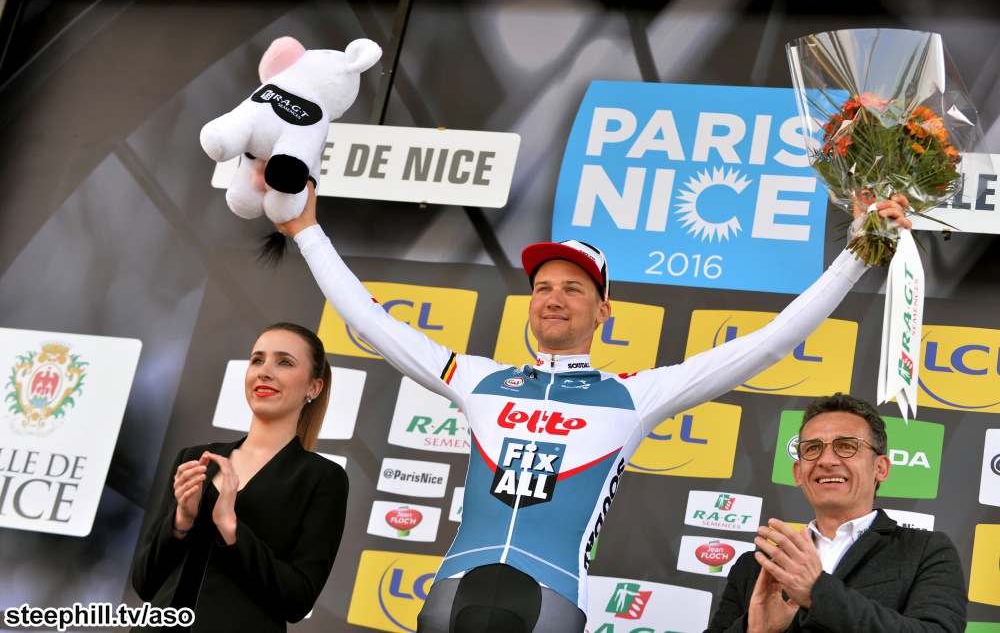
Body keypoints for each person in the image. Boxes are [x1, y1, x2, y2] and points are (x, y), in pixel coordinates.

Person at [273, 179, 912, 633]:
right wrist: (306, 231)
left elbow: (769, 343)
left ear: (603, 311)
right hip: (452, 593)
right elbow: (371, 322)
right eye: (543, 287)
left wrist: (857, 255)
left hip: (548, 602)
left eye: (573, 288)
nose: (553, 298)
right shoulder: (478, 379)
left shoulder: (633, 396)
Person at [130, 322, 349, 633]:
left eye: (284, 362)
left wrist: (232, 530)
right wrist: (181, 520)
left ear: (313, 388)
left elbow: (298, 599)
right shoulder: (194, 458)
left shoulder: (322, 478)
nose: (264, 371)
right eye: (257, 360)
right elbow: (144, 583)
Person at [704, 392, 967, 633]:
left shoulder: (924, 551)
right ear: (798, 473)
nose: (826, 460)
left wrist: (817, 593)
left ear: (880, 468)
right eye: (812, 448)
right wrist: (754, 630)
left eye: (846, 446)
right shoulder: (756, 566)